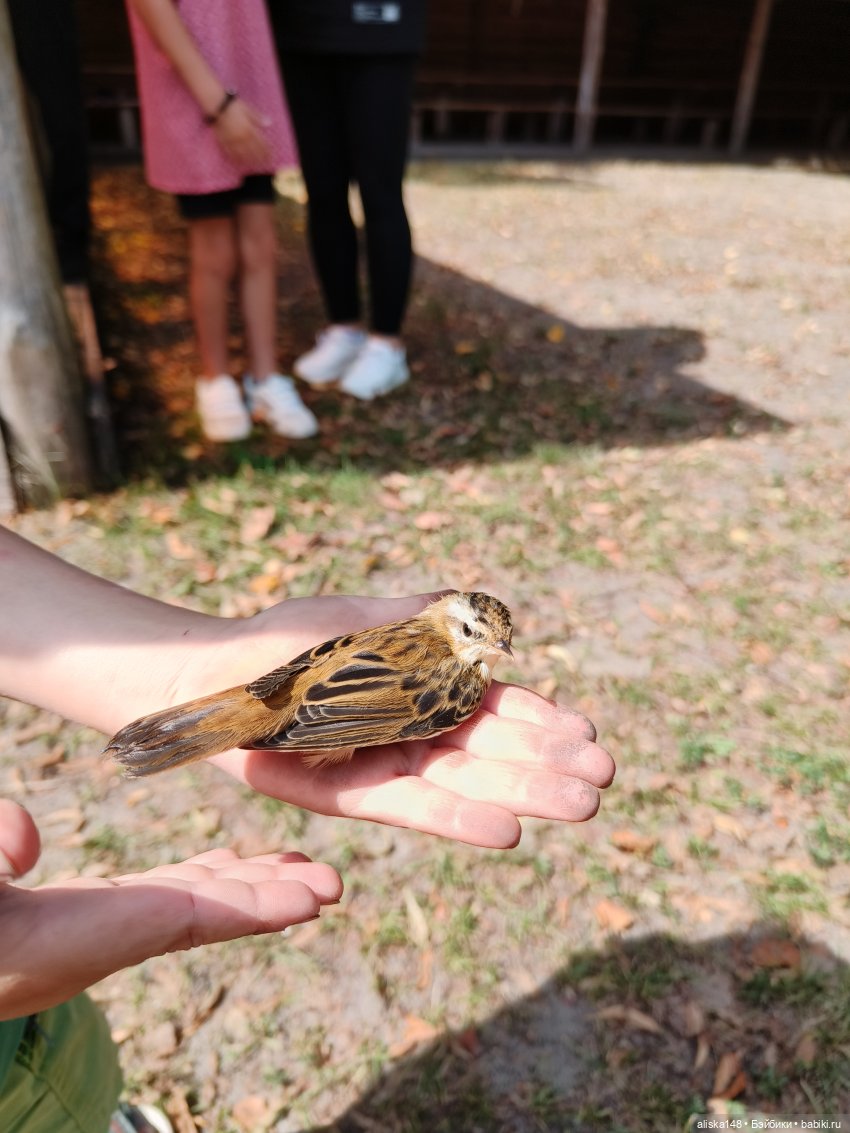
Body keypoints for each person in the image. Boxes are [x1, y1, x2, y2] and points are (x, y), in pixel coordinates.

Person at [0, 525, 614, 1129]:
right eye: (475, 635)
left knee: (237, 712)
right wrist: (294, 725)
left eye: (497, 642)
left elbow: (335, 660)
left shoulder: (433, 645)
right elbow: (370, 708)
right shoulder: (458, 688)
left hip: (303, 678)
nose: (489, 651)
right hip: (329, 704)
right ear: (450, 620)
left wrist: (277, 697)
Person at [125, 0, 318, 442]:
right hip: (190, 89)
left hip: (249, 77)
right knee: (214, 249)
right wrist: (218, 104)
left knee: (260, 241)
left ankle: (265, 378)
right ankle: (215, 380)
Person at [268, 0, 426, 400]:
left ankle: (386, 344)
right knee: (322, 191)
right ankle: (344, 329)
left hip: (380, 30)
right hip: (301, 33)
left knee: (381, 193)